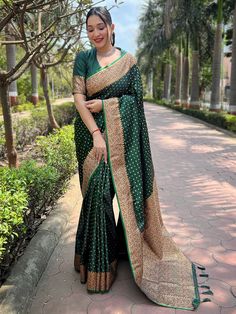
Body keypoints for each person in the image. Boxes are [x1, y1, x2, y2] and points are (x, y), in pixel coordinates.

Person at [72, 6, 209, 311]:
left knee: (115, 193)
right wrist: (96, 132)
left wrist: (107, 105)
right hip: (90, 136)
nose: (95, 34)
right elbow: (79, 98)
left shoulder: (129, 61)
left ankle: (118, 254)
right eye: (90, 28)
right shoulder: (83, 59)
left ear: (111, 26)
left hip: (122, 140)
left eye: (100, 27)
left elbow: (137, 100)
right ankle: (96, 262)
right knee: (96, 194)